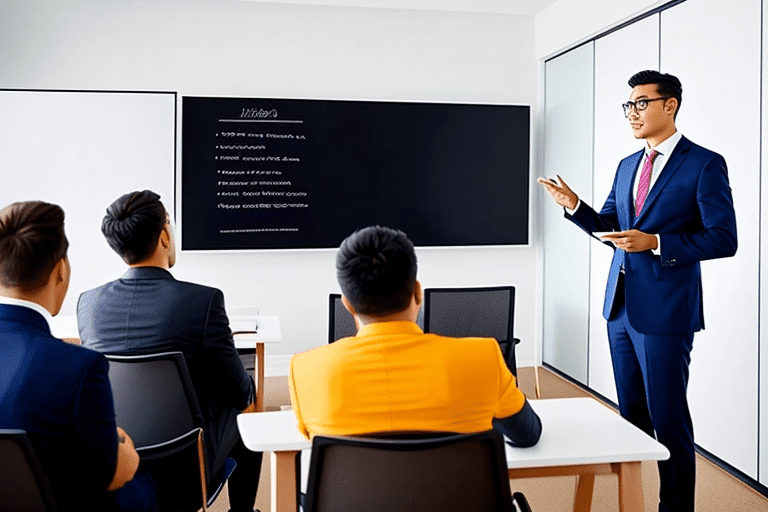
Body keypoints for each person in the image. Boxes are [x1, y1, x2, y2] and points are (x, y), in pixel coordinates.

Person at [538, 70, 737, 512]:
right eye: (629, 105)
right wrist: (574, 206)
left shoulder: (704, 163)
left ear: (670, 106)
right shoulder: (629, 165)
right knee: (632, 417)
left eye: (642, 103)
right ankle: (631, 500)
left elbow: (724, 239)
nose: (633, 112)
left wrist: (659, 243)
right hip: (621, 309)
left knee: (669, 422)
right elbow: (611, 227)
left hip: (666, 311)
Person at [77, 190, 262, 512]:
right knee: (248, 404)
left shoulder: (88, 304)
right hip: (187, 465)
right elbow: (239, 393)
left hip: (117, 452)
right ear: (164, 234)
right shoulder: (202, 302)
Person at [289, 225, 542, 446]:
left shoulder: (305, 369)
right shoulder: (483, 356)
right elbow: (527, 434)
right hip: (459, 502)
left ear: (347, 304)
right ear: (418, 292)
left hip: (350, 502)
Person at [0, 201, 155, 511]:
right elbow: (106, 474)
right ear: (61, 269)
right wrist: (124, 459)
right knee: (145, 485)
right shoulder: (79, 367)